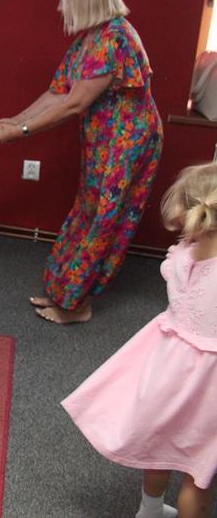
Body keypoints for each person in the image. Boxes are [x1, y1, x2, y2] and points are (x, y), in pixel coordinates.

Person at [0, 0, 163, 324]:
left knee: (103, 219)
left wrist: (22, 131)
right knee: (87, 212)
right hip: (103, 141)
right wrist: (16, 119)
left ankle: (77, 305)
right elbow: (57, 92)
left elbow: (74, 104)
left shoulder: (114, 38)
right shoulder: (89, 39)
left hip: (127, 143)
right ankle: (64, 292)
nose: (60, 7)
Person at [61, 163, 217, 518]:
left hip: (167, 366)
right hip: (209, 381)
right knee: (199, 472)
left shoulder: (181, 255)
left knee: (161, 446)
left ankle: (150, 510)